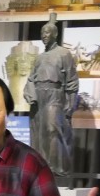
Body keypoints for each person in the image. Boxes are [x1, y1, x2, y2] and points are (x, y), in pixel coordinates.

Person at [23, 14, 79, 179]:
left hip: (55, 95)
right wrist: (31, 94)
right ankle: (41, 168)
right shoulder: (39, 58)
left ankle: (57, 168)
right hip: (39, 96)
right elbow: (31, 79)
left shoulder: (64, 54)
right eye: (42, 33)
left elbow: (72, 79)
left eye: (47, 33)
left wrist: (70, 103)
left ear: (55, 34)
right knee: (39, 134)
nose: (44, 36)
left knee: (52, 129)